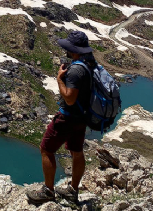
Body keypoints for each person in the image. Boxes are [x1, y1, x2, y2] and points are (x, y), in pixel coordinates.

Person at [27, 31, 96, 205]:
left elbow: (70, 98)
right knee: (76, 151)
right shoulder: (89, 65)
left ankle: (48, 191)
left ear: (74, 50)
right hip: (82, 118)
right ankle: (73, 190)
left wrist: (59, 79)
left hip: (68, 118)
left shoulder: (76, 70)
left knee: (47, 149)